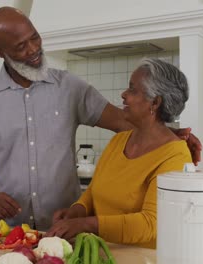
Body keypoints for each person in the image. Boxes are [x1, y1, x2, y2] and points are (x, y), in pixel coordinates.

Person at [0, 6, 202, 231]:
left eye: (35, 38)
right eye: (20, 46)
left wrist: (170, 135)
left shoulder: (70, 87)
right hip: (8, 229)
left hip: (64, 227)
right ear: (0, 52)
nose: (33, 50)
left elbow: (124, 121)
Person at [45, 58, 191, 248]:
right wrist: (77, 211)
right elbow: (93, 191)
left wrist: (85, 224)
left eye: (132, 90)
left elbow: (149, 223)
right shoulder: (119, 140)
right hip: (101, 253)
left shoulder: (175, 156)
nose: (124, 95)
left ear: (154, 103)